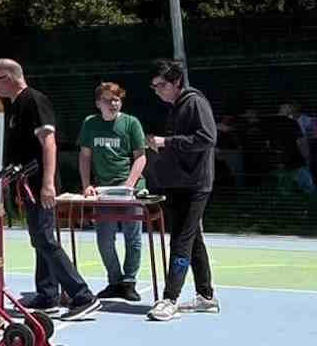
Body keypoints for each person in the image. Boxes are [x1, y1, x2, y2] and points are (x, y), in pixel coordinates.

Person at [0, 59, 100, 320]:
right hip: (28, 183)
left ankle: (82, 295)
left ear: (8, 78)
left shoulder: (33, 101)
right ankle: (48, 294)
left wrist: (48, 184)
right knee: (39, 236)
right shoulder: (16, 105)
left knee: (44, 237)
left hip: (40, 183)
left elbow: (48, 143)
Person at [145, 60, 219, 321]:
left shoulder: (194, 102)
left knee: (181, 240)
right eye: (154, 86)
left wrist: (167, 141)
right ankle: (206, 297)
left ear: (177, 82)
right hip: (179, 183)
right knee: (193, 239)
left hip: (196, 184)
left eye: (161, 85)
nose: (158, 90)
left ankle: (170, 299)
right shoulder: (176, 107)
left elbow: (208, 138)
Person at [78, 82, 148, 302]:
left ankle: (129, 282)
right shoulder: (90, 124)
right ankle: (115, 280)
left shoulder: (131, 123)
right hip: (103, 190)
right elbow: (85, 156)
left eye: (117, 99)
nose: (113, 103)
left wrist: (129, 185)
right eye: (108, 100)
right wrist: (87, 184)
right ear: (98, 103)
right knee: (104, 239)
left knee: (132, 236)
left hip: (128, 187)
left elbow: (140, 157)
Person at [270, 103, 314, 194]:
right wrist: (306, 154)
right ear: (283, 108)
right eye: (289, 107)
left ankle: (285, 197)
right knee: (306, 182)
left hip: (279, 157)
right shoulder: (292, 122)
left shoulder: (271, 122)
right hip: (294, 156)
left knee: (284, 181)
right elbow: (300, 140)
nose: (291, 109)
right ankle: (310, 197)